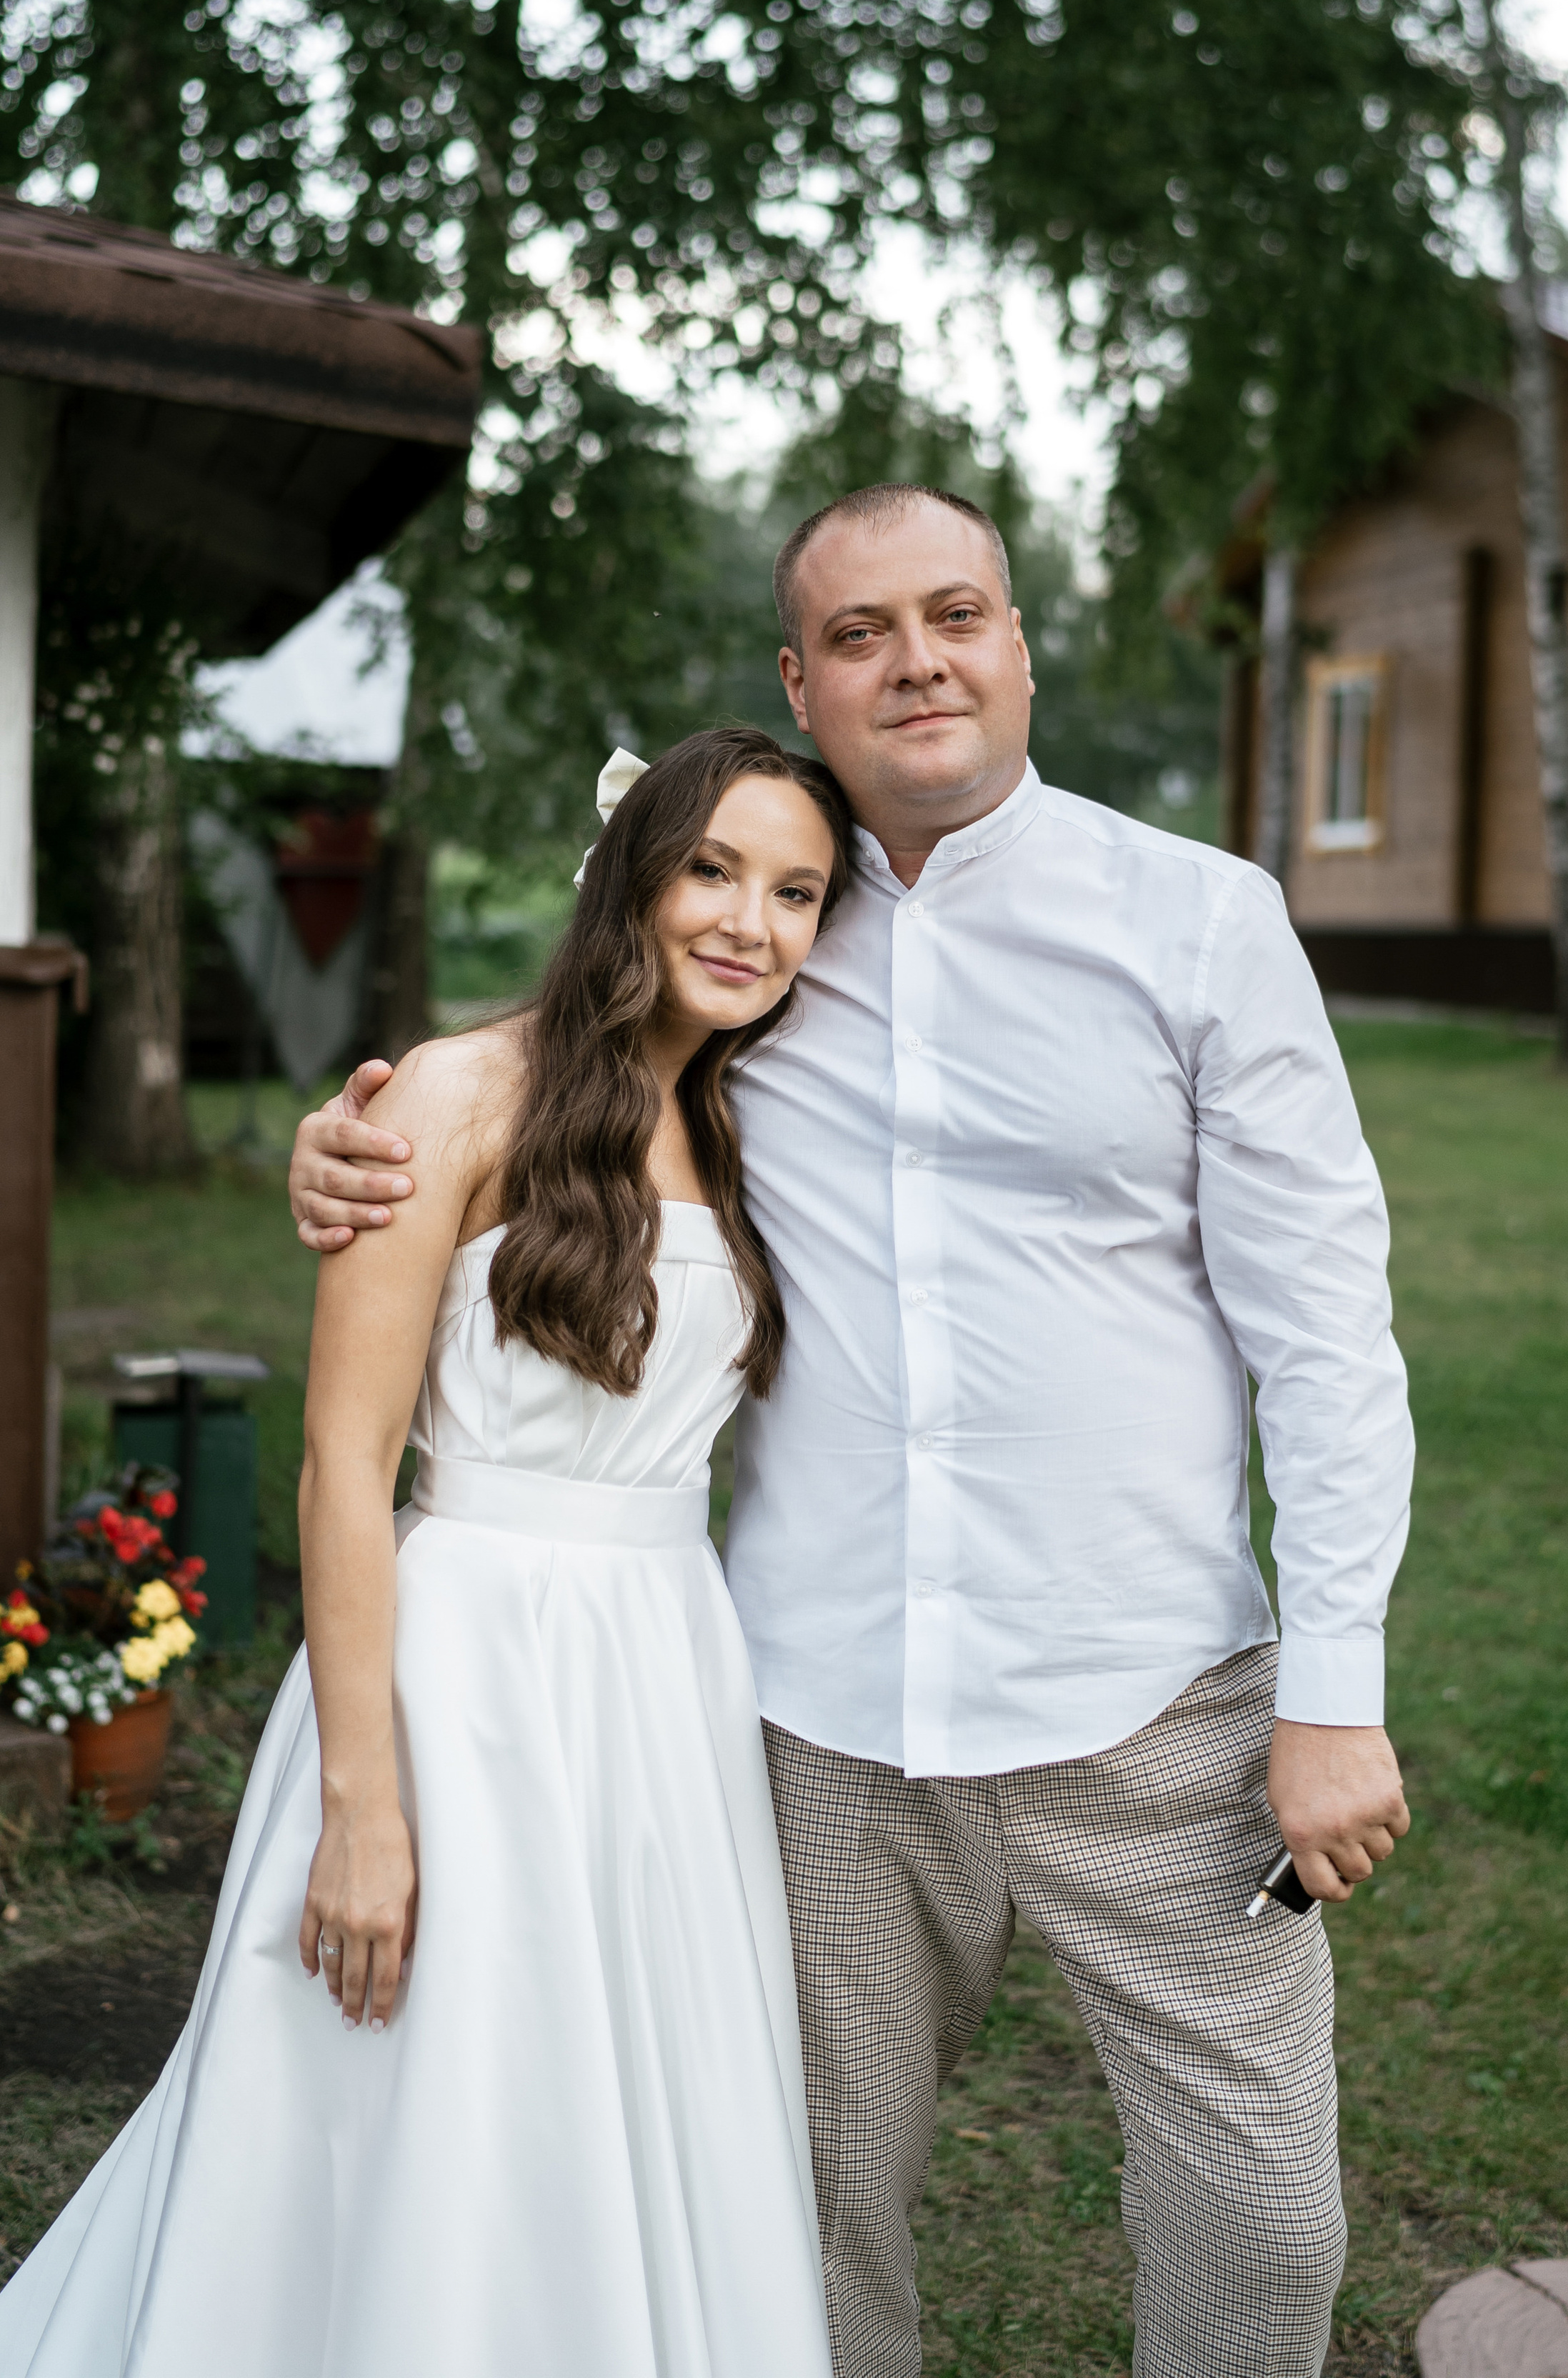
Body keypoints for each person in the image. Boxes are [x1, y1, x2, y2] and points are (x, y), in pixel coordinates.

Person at [289, 483, 1415, 2378]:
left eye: (955, 614)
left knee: (1269, 2222)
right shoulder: (748, 956)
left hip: (1156, 1705)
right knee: (802, 2212)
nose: (919, 662)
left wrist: (1340, 1682)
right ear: (801, 682)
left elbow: (1327, 1340)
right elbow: (531, 1101)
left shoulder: (1204, 926)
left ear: (1019, 643)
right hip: (817, 1724)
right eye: (864, 634)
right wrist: (352, 1156)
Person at [0, 726, 849, 2378]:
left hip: (662, 1671)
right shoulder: (454, 1095)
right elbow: (340, 1462)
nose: (751, 921)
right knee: (432, 2092)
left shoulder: (747, 1118)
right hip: (468, 1665)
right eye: (713, 870)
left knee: (627, 2095)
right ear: (634, 874)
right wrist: (363, 1806)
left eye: (797, 890)